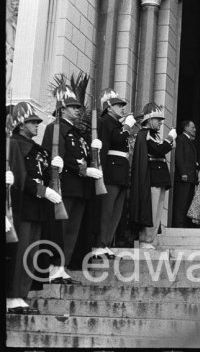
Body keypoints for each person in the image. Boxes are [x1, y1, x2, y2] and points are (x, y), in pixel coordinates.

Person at [6, 102, 63, 314]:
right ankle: (12, 296)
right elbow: (22, 179)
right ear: (21, 124)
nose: (37, 125)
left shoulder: (38, 149)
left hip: (38, 208)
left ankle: (22, 294)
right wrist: (43, 191)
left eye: (37, 122)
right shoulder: (13, 144)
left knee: (32, 254)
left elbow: (46, 174)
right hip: (23, 205)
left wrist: (57, 169)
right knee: (20, 253)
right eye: (32, 122)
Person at [42, 85, 101, 284]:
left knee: (73, 229)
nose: (78, 109)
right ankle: (54, 266)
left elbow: (80, 156)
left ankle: (62, 266)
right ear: (62, 109)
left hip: (79, 187)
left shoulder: (74, 132)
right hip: (66, 184)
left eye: (78, 107)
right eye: (73, 106)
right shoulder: (56, 127)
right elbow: (60, 157)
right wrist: (83, 170)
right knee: (62, 228)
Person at [92, 88, 135, 258]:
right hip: (110, 171)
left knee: (116, 212)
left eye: (123, 106)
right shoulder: (105, 122)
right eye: (119, 105)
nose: (123, 108)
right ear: (109, 107)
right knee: (107, 210)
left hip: (121, 172)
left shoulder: (116, 124)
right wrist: (127, 126)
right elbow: (114, 140)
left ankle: (107, 243)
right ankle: (100, 243)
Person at [129, 103, 176, 249]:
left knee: (157, 212)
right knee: (151, 210)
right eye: (158, 119)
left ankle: (152, 239)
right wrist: (169, 139)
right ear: (149, 120)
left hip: (159, 177)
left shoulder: (152, 134)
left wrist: (167, 143)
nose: (161, 122)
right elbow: (158, 149)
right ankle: (146, 240)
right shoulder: (145, 133)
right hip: (151, 177)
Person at [172, 120, 199, 228]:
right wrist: (183, 173)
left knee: (187, 203)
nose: (195, 129)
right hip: (184, 177)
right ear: (186, 128)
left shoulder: (189, 141)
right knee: (181, 203)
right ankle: (178, 225)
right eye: (193, 127)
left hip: (191, 178)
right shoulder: (180, 139)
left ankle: (184, 224)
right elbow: (179, 157)